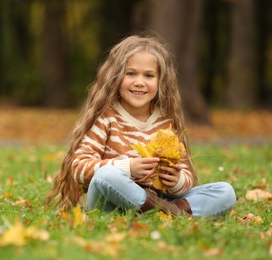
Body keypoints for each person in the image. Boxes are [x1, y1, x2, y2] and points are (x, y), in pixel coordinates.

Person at [46, 34, 236, 217]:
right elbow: (78, 167)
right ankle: (172, 213)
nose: (139, 82)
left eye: (149, 75)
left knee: (225, 191)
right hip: (110, 204)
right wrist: (128, 168)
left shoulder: (166, 122)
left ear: (161, 81)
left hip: (158, 198)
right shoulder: (107, 118)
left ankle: (156, 213)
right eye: (131, 73)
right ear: (116, 77)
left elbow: (186, 176)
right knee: (106, 176)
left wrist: (176, 181)